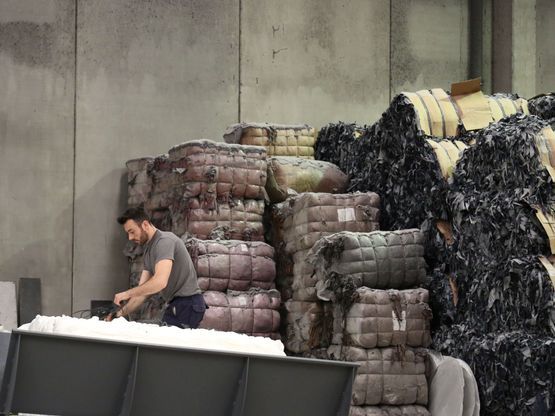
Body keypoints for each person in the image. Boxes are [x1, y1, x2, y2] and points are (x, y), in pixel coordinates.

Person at [112, 207, 206, 328]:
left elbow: (160, 282)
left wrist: (127, 293)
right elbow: (142, 293)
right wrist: (118, 314)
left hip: (188, 304)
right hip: (175, 304)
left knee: (165, 344)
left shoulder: (164, 241)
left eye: (132, 231)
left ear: (145, 225)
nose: (130, 238)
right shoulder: (148, 251)